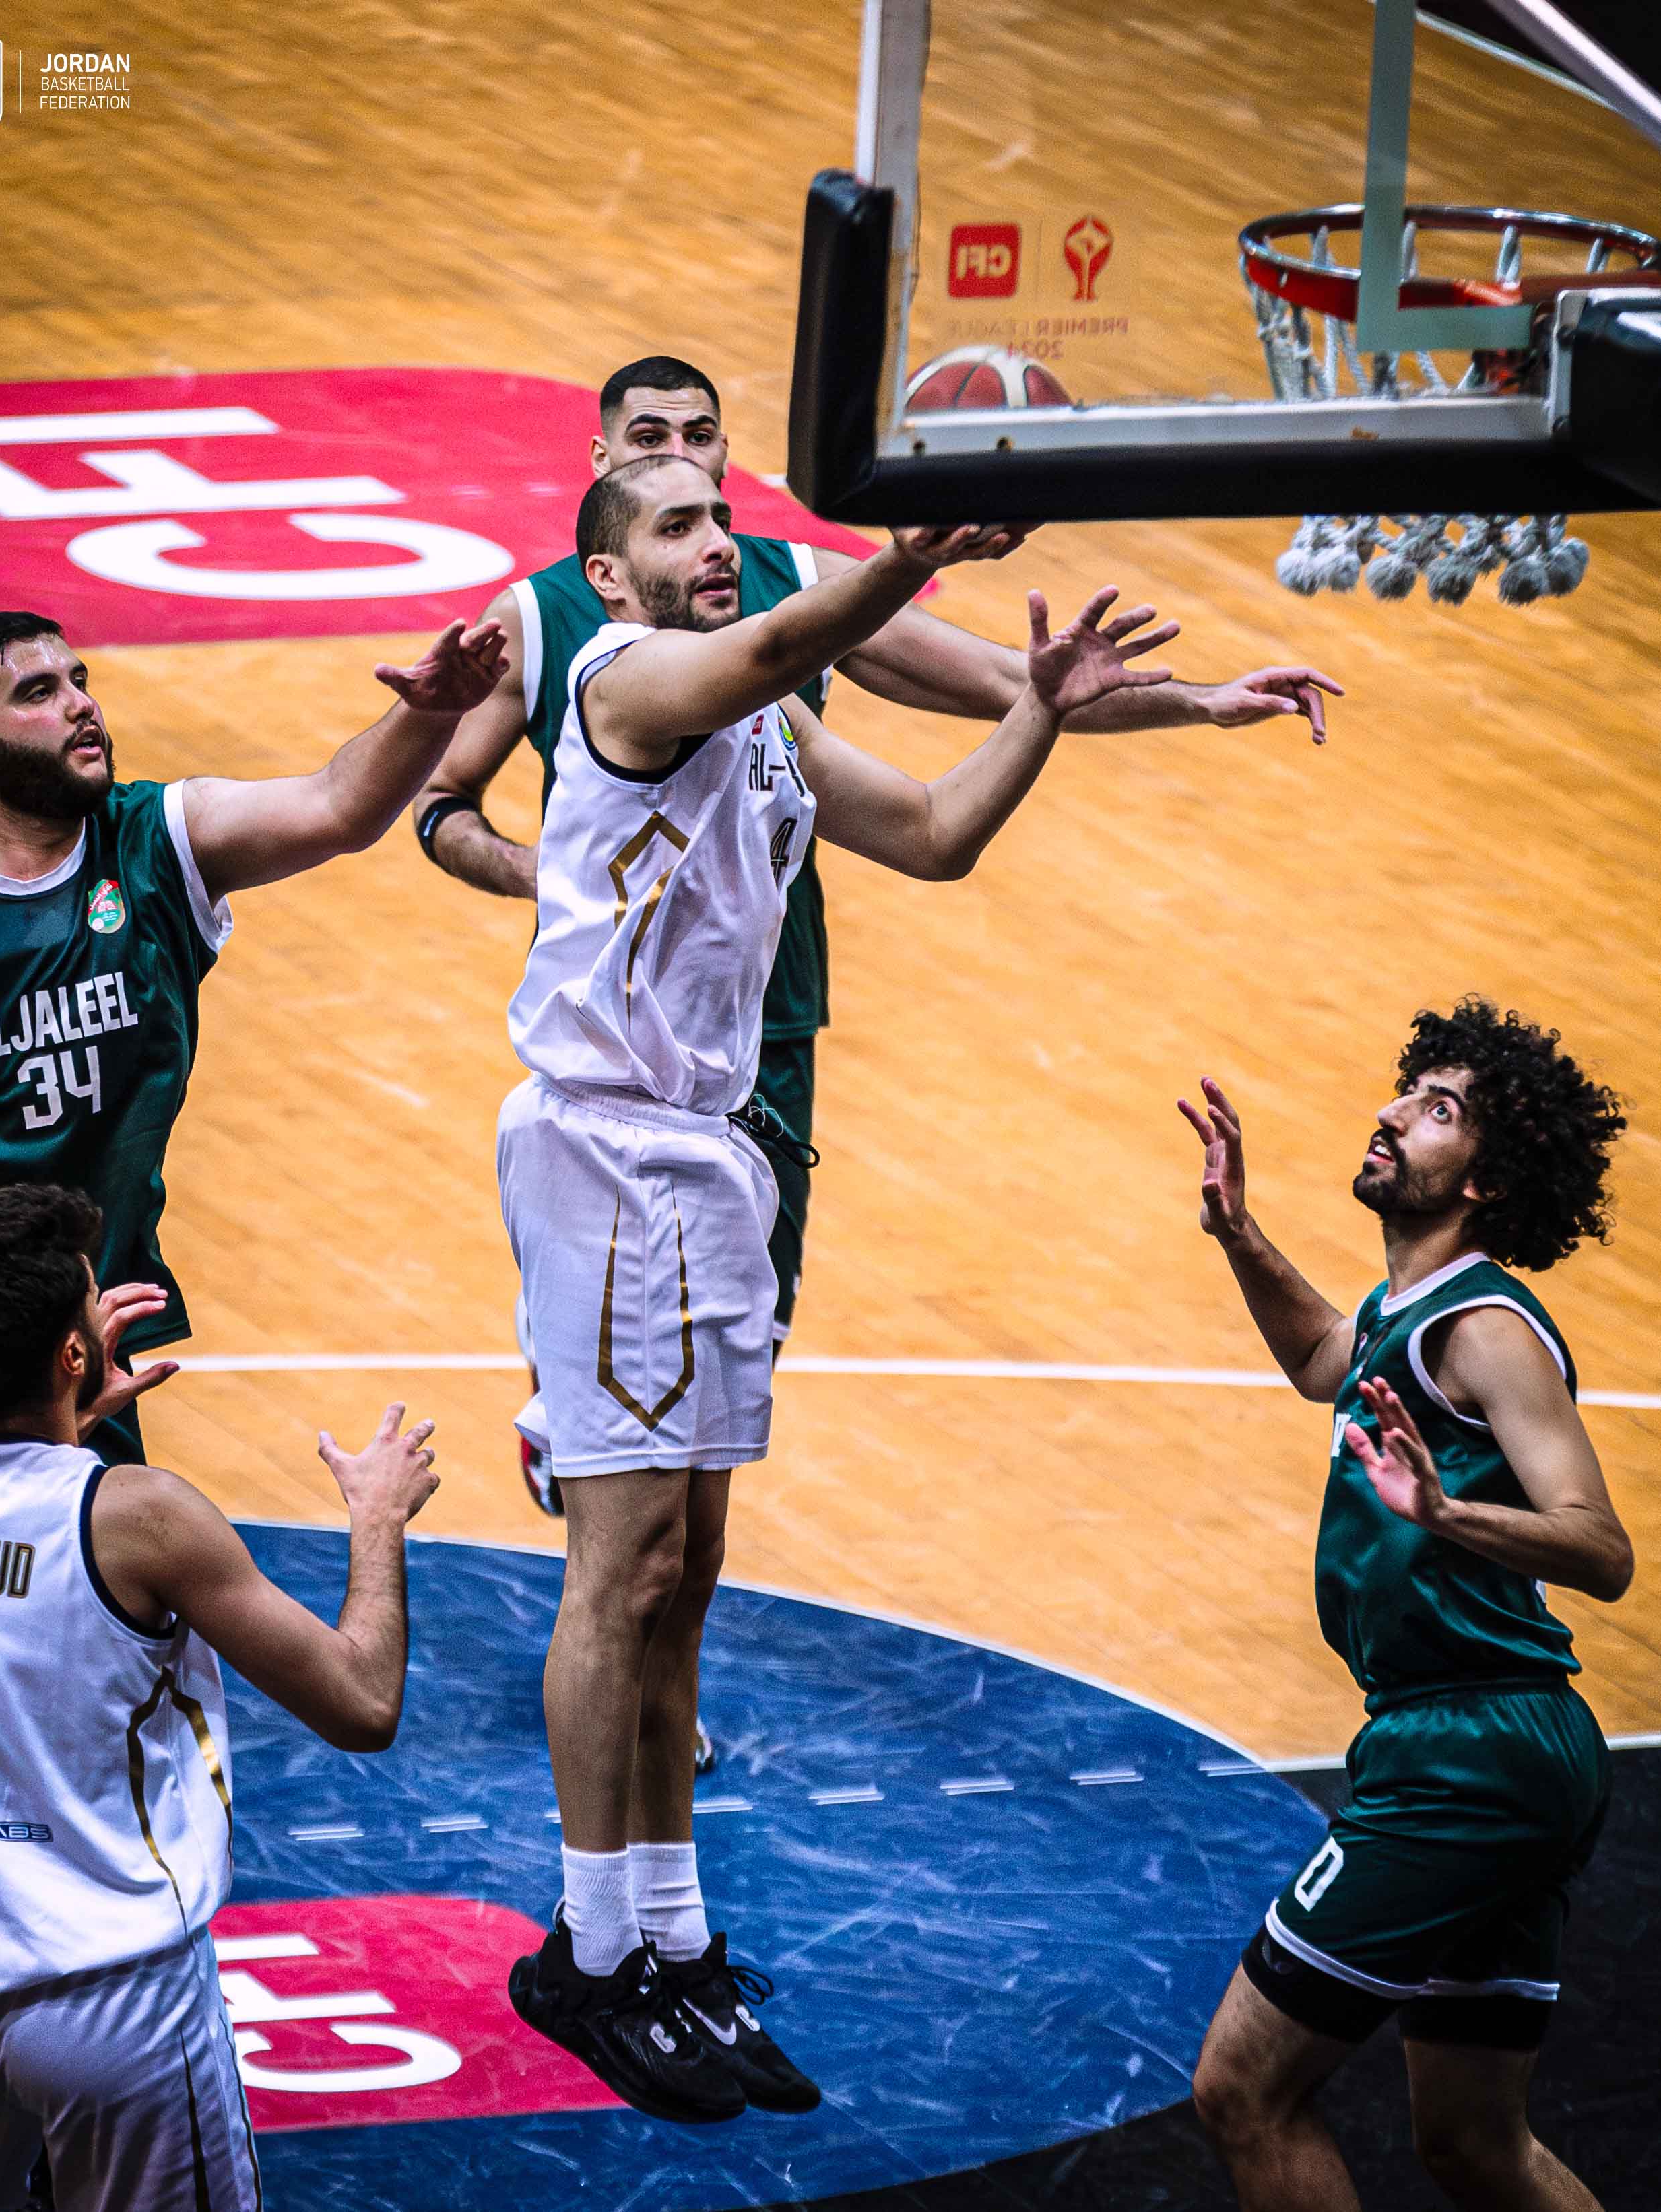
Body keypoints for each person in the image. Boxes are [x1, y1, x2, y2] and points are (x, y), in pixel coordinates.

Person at [500, 450, 1219, 2123]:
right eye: (676, 524)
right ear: (606, 574)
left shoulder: (765, 720)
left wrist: (1039, 711)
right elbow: (770, 642)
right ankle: (588, 1953)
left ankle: (674, 1937)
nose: (714, 541)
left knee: (688, 1569)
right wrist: (906, 558)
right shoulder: (627, 677)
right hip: (605, 1149)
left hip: (709, 1156)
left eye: (721, 515)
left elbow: (935, 833)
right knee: (620, 1567)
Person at [415, 353, 1344, 1516]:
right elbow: (445, 805)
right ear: (604, 476)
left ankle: (620, 1492)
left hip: (751, 1047)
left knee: (701, 1498)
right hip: (619, 1099)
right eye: (653, 446)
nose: (684, 465)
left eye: (703, 447)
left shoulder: (783, 608)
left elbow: (970, 759)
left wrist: (1182, 700)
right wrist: (545, 876)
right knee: (631, 1522)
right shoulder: (581, 633)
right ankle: (576, 1418)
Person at [0, 1182, 440, 2212]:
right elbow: (363, 1703)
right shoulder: (143, 1519)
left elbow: (4, 1513)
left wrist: (61, 1411)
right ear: (73, 1352)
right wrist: (378, 1516)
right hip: (112, 1999)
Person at [1177, 999, 1633, 2212]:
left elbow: (1600, 1549)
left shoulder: (1484, 1327)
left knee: (1242, 2091)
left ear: (1484, 1181)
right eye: (1407, 1091)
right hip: (1489, 1747)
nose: (1390, 1114)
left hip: (1468, 1752)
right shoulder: (1401, 1312)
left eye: (1437, 1112)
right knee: (1475, 2146)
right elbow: (1319, 1357)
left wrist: (1447, 1512)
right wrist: (1238, 1232)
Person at [0, 607, 508, 1463]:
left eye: (79, 681)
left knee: (107, 1541)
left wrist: (430, 712)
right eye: (38, 692)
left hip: (80, 1325)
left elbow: (337, 806)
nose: (79, 704)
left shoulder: (156, 840)